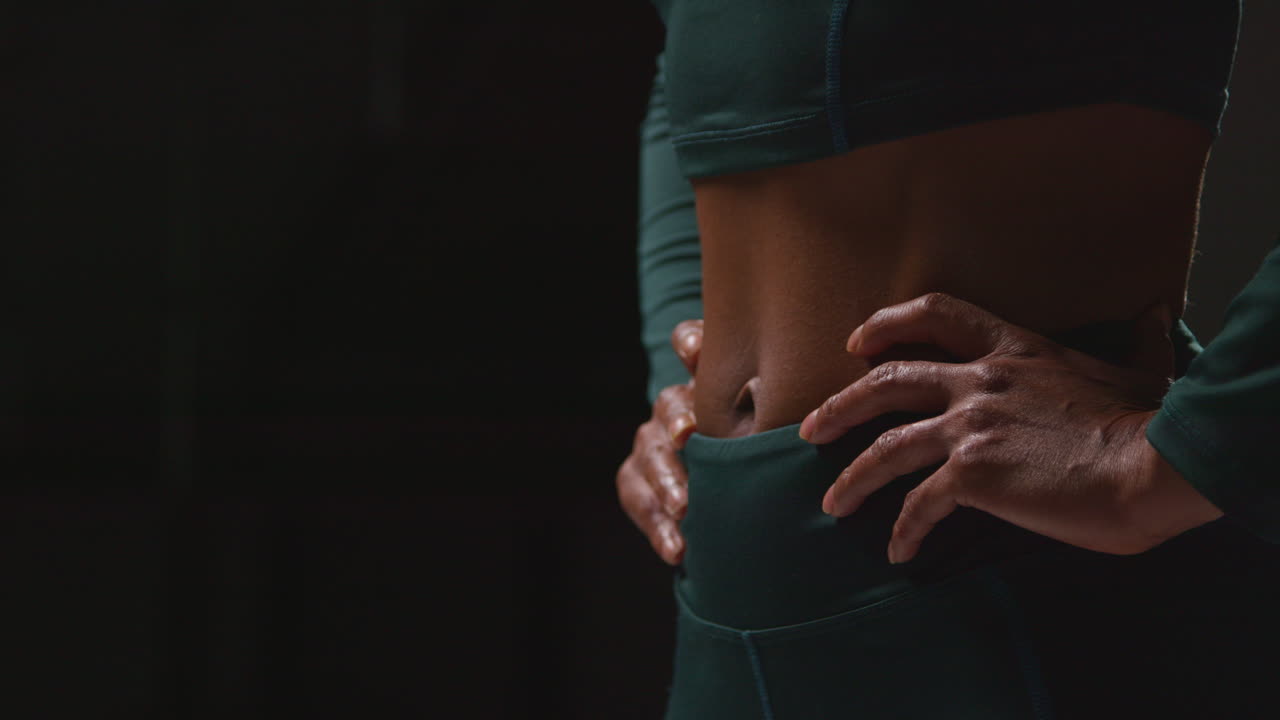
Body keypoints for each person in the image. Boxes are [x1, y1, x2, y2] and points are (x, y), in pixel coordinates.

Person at [616, 1, 1280, 718]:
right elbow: (691, 74)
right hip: (730, 581)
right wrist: (683, 361)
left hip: (1022, 571)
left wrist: (1189, 455)